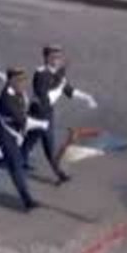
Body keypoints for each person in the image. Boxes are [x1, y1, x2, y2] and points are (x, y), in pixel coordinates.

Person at [23, 45, 96, 184]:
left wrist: (87, 97)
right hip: (39, 113)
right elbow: (44, 98)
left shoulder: (58, 74)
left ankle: (18, 160)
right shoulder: (40, 74)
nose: (57, 60)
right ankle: (60, 173)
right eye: (54, 57)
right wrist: (60, 85)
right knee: (49, 144)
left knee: (31, 140)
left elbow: (69, 91)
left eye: (59, 57)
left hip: (48, 112)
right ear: (46, 58)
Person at [0, 68, 42, 211]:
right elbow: (21, 119)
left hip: (14, 133)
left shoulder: (19, 93)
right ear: (10, 81)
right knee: (15, 165)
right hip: (5, 134)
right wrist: (41, 124)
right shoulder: (6, 98)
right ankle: (27, 200)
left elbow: (24, 110)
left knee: (0, 157)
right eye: (18, 80)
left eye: (23, 80)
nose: (22, 83)